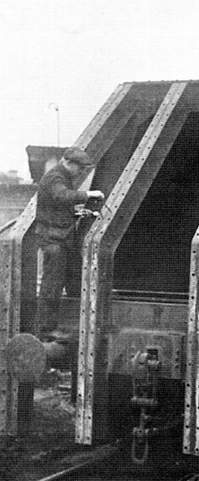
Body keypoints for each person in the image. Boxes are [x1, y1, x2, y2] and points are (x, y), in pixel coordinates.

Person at [35, 146, 104, 340]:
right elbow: (61, 196)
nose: (81, 172)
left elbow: (56, 207)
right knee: (52, 285)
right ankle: (46, 330)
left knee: (73, 278)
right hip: (53, 241)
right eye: (80, 168)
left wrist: (80, 213)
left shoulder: (62, 177)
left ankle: (72, 323)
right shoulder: (55, 177)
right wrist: (88, 195)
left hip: (61, 239)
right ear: (68, 163)